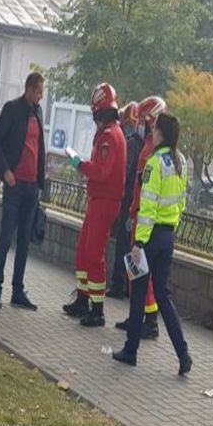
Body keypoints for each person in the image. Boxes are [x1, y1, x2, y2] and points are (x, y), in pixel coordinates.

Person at [112, 112, 193, 374]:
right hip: (168, 236)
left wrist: (139, 243)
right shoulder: (180, 161)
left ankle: (130, 351)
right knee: (162, 296)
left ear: (160, 133)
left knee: (138, 294)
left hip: (150, 237)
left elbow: (147, 206)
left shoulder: (153, 163)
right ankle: (183, 354)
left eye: (154, 128)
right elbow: (181, 203)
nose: (151, 132)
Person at [63, 83, 127, 327]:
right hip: (98, 199)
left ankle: (97, 309)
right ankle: (82, 299)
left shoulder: (110, 137)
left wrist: (80, 164)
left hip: (105, 201)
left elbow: (101, 171)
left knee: (94, 254)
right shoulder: (108, 134)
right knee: (83, 251)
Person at [0, 72, 47, 310]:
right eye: (39, 92)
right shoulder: (12, 109)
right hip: (15, 184)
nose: (41, 96)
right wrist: (6, 171)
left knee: (24, 241)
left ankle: (17, 290)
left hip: (32, 187)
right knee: (5, 239)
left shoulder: (38, 113)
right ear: (30, 89)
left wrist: (40, 182)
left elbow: (39, 147)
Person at [114, 96, 168, 339]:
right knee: (138, 273)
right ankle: (139, 317)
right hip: (140, 215)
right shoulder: (150, 146)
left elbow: (144, 187)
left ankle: (148, 321)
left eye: (147, 122)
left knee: (143, 276)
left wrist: (135, 212)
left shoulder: (154, 151)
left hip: (144, 219)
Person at [107, 101, 143, 299]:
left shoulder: (131, 143)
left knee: (124, 244)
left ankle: (118, 283)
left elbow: (125, 172)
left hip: (128, 201)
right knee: (132, 245)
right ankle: (130, 287)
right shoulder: (143, 146)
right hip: (136, 203)